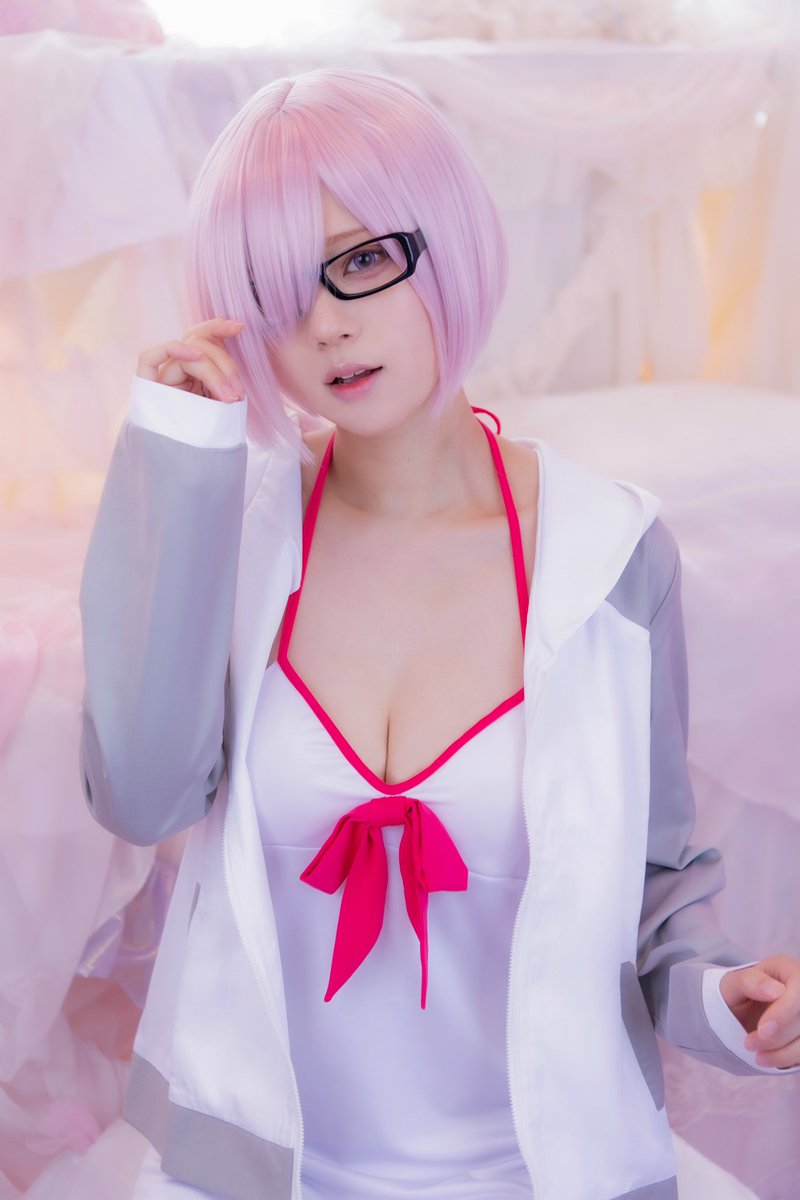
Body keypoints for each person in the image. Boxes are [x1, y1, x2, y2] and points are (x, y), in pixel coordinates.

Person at [78, 67, 800, 1200]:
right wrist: (173, 466)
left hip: (541, 1177)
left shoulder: (607, 559)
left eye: (362, 259)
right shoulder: (236, 535)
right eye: (272, 290)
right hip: (256, 1179)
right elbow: (141, 794)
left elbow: (655, 895)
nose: (325, 322)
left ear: (447, 239)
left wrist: (731, 1003)